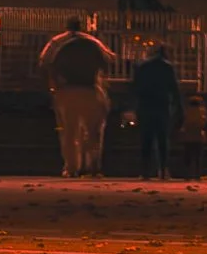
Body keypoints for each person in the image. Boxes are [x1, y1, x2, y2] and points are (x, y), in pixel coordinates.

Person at [37, 13, 118, 176]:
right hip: (90, 89)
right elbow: (110, 58)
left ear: (66, 26)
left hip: (66, 91)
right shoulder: (92, 41)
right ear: (82, 27)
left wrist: (52, 85)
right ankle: (92, 166)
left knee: (68, 131)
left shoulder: (56, 41)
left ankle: (72, 168)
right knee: (93, 131)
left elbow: (43, 63)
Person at [130, 39, 183, 177]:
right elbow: (174, 89)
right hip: (162, 105)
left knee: (146, 139)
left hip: (145, 105)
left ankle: (145, 170)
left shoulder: (142, 66)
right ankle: (163, 169)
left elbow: (135, 88)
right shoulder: (167, 67)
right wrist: (179, 108)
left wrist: (132, 107)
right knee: (162, 139)